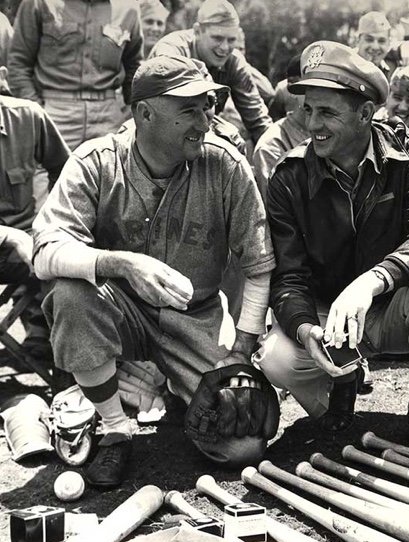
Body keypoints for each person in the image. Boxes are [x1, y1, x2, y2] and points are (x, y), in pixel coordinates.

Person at [32, 55, 277, 487]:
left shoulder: (225, 164)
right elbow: (44, 251)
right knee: (69, 292)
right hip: (119, 310)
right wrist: (121, 263)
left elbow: (258, 266)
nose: (205, 122)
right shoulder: (97, 161)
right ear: (145, 114)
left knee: (243, 446)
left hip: (193, 318)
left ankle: (173, 389)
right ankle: (114, 428)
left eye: (208, 107)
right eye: (189, 110)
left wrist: (240, 351)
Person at [254, 41, 409, 455]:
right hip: (327, 318)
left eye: (327, 112)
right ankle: (339, 392)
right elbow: (288, 276)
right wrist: (305, 329)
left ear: (366, 114)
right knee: (277, 357)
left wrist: (374, 280)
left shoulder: (406, 155)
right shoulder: (289, 177)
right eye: (309, 110)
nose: (313, 124)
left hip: (390, 306)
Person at [0, 65, 69, 367]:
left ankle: (49, 342)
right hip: (12, 242)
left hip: (28, 245)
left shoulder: (27, 117)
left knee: (72, 260)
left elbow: (66, 172)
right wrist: (7, 235)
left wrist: (53, 223)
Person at [8, 0, 143, 150]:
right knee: (48, 172)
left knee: (110, 171)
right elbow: (18, 64)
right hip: (54, 112)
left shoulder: (128, 7)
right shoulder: (39, 3)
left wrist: (133, 114)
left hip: (107, 116)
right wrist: (35, 111)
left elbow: (135, 67)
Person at [149, 0, 272, 145]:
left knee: (234, 141)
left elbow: (258, 120)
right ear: (197, 31)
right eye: (217, 38)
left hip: (200, 132)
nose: (225, 47)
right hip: (161, 132)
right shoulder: (171, 51)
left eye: (231, 40)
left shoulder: (234, 61)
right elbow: (166, 115)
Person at [252, 58, 308, 199]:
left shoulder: (340, 134)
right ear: (293, 87)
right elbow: (276, 214)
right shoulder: (273, 145)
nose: (322, 94)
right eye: (310, 85)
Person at [354, 11, 392, 77]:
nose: (375, 47)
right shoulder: (346, 67)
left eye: (381, 41)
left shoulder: (394, 68)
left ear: (389, 43)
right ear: (358, 40)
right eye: (369, 40)